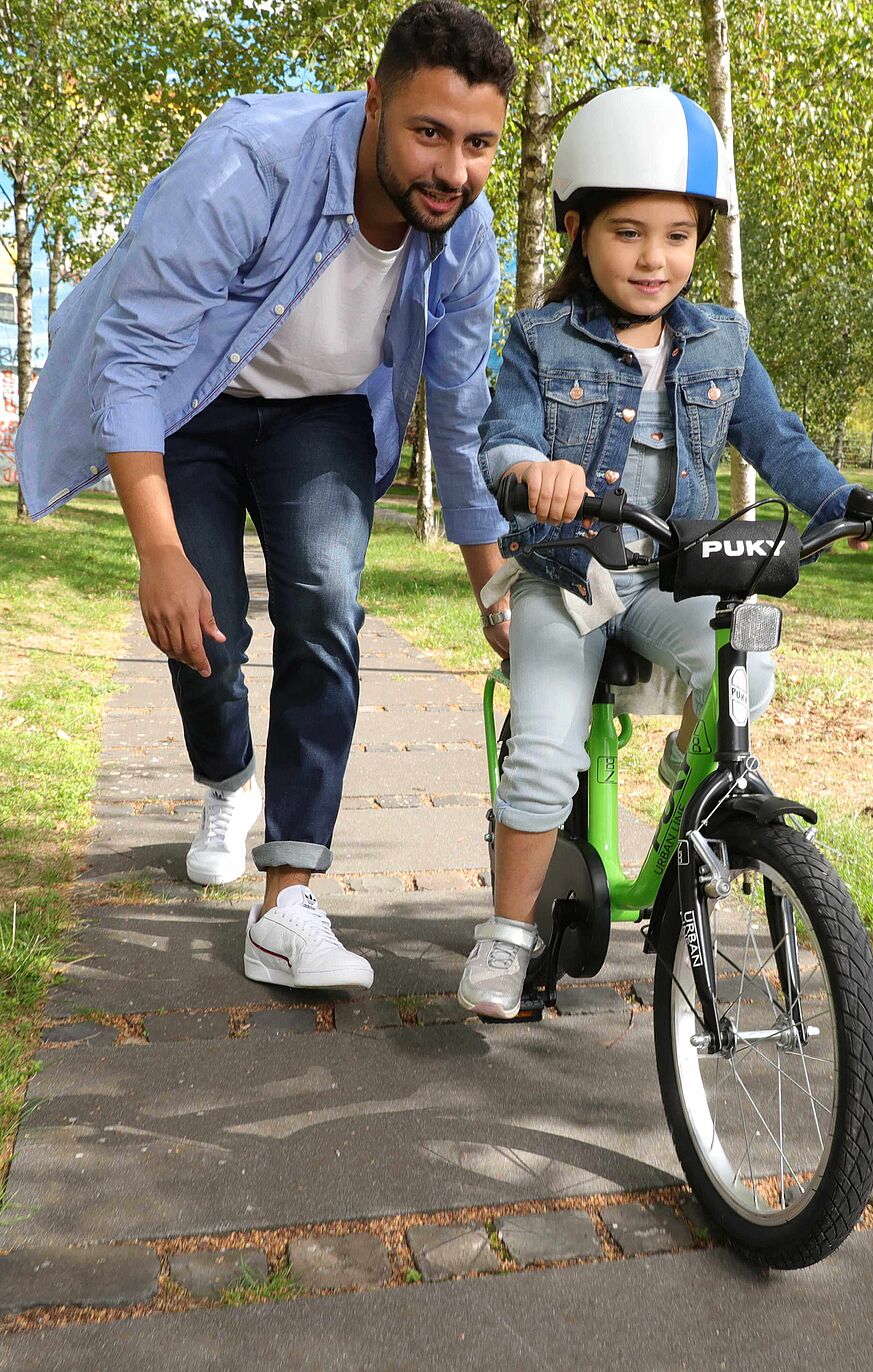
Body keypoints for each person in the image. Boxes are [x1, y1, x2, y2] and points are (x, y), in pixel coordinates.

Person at [16, 2, 517, 994]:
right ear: (373, 103)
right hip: (190, 403)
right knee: (201, 629)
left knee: (325, 602)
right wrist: (158, 550)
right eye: (427, 133)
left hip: (320, 416)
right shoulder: (249, 162)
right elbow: (136, 353)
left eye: (477, 144)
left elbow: (458, 419)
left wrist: (490, 584)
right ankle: (226, 780)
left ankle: (286, 895)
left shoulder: (463, 233)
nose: (450, 171)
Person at [457, 85, 873, 1020]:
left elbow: (776, 441)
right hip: (571, 578)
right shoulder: (541, 339)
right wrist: (533, 469)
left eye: (676, 234)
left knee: (747, 671)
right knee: (543, 752)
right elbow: (497, 440)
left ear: (699, 239)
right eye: (628, 232)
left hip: (676, 573)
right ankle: (504, 937)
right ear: (579, 230)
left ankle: (688, 781)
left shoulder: (720, 341)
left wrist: (852, 500)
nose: (653, 258)